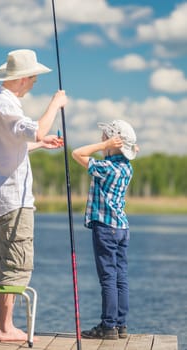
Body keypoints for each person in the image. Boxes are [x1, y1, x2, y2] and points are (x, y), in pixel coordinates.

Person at [0, 49, 67, 342]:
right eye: (35, 79)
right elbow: (37, 129)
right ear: (24, 79)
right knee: (15, 263)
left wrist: (42, 144)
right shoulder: (8, 106)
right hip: (15, 200)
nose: (36, 83)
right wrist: (56, 103)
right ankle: (6, 328)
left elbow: (12, 145)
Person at [72, 119, 138, 340]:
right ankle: (120, 325)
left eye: (105, 137)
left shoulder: (107, 168)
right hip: (122, 228)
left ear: (113, 141)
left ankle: (108, 326)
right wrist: (116, 147)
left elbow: (77, 153)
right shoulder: (126, 167)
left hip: (105, 228)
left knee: (108, 278)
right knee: (121, 277)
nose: (101, 139)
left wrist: (103, 146)